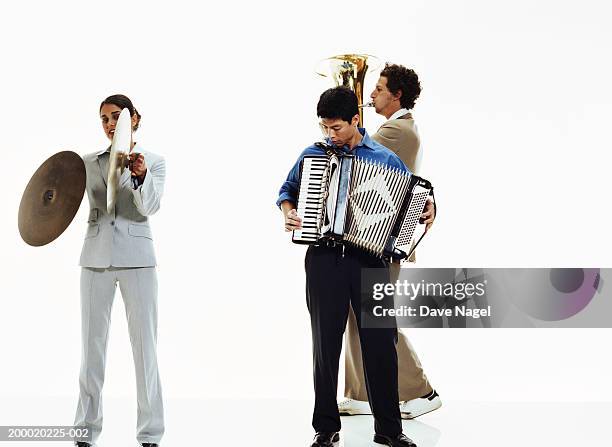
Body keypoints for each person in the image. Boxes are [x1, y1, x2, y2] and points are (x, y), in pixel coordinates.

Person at [278, 86, 416, 447]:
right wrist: (290, 213)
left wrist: (430, 210)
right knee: (325, 346)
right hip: (323, 257)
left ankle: (389, 429)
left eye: (336, 127)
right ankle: (326, 427)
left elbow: (413, 204)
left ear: (357, 120)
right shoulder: (314, 154)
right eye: (325, 127)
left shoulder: (386, 159)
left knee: (381, 344)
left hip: (370, 261)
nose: (329, 135)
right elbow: (286, 191)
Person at [339, 64, 442, 420]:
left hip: (381, 239)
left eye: (378, 89)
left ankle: (420, 391)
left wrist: (340, 122)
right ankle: (361, 394)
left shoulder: (397, 131)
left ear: (396, 95)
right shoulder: (397, 127)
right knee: (361, 314)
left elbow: (350, 154)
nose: (371, 95)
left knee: (375, 318)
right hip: (369, 235)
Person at [73, 94, 165, 447]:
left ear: (134, 120)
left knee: (146, 350)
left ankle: (150, 435)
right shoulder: (86, 162)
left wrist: (139, 176)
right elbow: (64, 201)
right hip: (94, 259)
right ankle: (84, 432)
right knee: (91, 350)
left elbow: (150, 207)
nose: (110, 124)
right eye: (104, 119)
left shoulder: (155, 162)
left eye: (116, 117)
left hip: (138, 259)